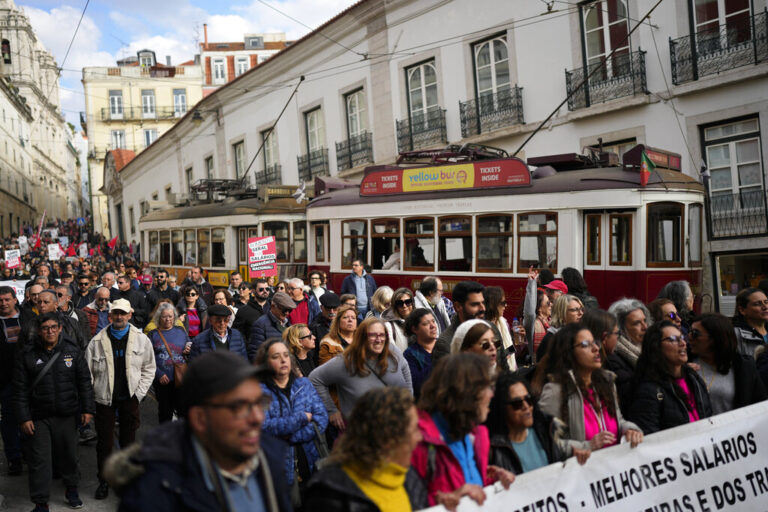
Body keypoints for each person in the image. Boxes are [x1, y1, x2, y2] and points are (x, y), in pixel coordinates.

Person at [107, 351, 291, 511]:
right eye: (240, 407)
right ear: (200, 419)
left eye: (259, 403)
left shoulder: (270, 457)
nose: (257, 418)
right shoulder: (156, 490)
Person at [13, 313, 95, 511]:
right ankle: (41, 502)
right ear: (39, 331)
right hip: (39, 417)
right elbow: (20, 389)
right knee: (40, 460)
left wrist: (87, 409)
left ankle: (72, 490)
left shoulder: (72, 351)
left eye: (53, 327)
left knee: (69, 456)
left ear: (60, 329)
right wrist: (24, 417)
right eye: (45, 328)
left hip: (67, 414)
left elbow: (84, 382)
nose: (49, 331)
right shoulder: (28, 354)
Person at [411, 354, 515, 507]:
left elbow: (468, 488)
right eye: (487, 387)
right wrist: (447, 501)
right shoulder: (418, 442)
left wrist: (492, 482)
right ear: (467, 391)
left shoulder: (473, 436)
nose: (492, 394)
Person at [303, 387, 428, 512]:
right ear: (389, 439)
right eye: (414, 430)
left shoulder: (407, 476)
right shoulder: (331, 493)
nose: (420, 437)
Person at [535, 324, 643, 458]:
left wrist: (629, 429)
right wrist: (588, 446)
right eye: (585, 344)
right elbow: (543, 442)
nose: (596, 348)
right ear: (568, 352)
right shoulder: (556, 391)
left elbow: (618, 421)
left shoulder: (606, 383)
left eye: (595, 343)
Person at [86, 298, 156, 500]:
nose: (118, 317)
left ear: (129, 315)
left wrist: (139, 394)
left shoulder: (141, 340)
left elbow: (149, 368)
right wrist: (93, 394)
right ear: (110, 315)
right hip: (104, 399)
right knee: (105, 444)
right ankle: (104, 481)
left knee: (129, 442)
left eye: (122, 313)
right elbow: (88, 371)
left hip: (130, 398)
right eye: (115, 313)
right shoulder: (97, 341)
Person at [310, 317, 412, 433]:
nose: (378, 340)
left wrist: (409, 399)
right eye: (373, 335)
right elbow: (315, 379)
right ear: (362, 337)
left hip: (396, 429)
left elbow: (404, 366)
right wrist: (331, 411)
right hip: (362, 435)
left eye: (382, 335)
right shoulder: (345, 362)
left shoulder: (392, 350)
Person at [254, 339, 328, 493]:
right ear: (265, 362)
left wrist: (291, 437)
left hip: (311, 459)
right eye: (276, 357)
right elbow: (265, 426)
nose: (283, 360)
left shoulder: (304, 384)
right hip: (279, 464)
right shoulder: (259, 392)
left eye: (286, 355)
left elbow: (321, 418)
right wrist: (301, 418)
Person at [628, 321, 713, 434]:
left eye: (682, 337)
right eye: (673, 339)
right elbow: (650, 438)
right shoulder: (649, 390)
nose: (683, 343)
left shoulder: (694, 378)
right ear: (656, 346)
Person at [487, 373, 567, 474]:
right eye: (517, 403)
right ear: (502, 409)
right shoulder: (495, 449)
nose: (526, 407)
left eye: (529, 400)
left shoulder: (546, 431)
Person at [688, 313, 766, 415]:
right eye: (689, 332)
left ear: (715, 338)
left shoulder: (744, 367)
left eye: (695, 333)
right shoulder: (683, 365)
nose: (689, 337)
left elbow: (760, 406)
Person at [147, 303, 191, 422]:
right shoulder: (153, 335)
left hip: (181, 379)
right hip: (163, 382)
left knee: (183, 413)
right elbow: (147, 359)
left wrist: (188, 347)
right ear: (158, 317)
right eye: (164, 316)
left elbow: (189, 343)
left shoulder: (181, 331)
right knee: (165, 414)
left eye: (170, 316)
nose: (168, 319)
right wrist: (159, 374)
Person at [606, 298, 650, 411]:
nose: (645, 327)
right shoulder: (613, 359)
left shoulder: (652, 349)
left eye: (645, 321)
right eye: (637, 323)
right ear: (621, 329)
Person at [0, 286, 22, 476]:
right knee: (9, 421)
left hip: (28, 379)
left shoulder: (28, 318)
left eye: (7, 299)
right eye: (1, 300)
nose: (4, 303)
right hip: (5, 381)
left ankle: (29, 454)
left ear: (15, 300)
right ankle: (14, 458)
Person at [436, 281, 487, 362]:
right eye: (475, 304)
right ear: (458, 306)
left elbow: (503, 362)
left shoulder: (492, 329)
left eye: (483, 303)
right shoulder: (445, 344)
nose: (482, 308)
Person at [535, 294, 585, 361]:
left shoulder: (582, 333)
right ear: (561, 313)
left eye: (581, 309)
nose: (581, 313)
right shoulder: (551, 339)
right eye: (575, 310)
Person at [248, 291, 295, 360]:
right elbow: (255, 353)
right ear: (273, 306)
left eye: (290, 310)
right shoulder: (260, 324)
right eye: (284, 310)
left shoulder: (288, 324)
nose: (287, 313)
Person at [403, 309, 438, 400]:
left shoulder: (444, 345)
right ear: (414, 329)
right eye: (426, 324)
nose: (433, 326)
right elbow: (417, 385)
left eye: (433, 321)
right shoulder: (410, 354)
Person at [484, 286, 518, 371]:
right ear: (493, 304)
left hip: (509, 371)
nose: (506, 305)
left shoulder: (503, 323)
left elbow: (509, 350)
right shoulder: (483, 327)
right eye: (503, 303)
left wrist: (516, 341)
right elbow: (497, 353)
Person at [732, 287, 768, 357]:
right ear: (742, 310)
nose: (765, 307)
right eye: (758, 304)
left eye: (766, 302)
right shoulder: (735, 335)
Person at [55, 284, 91, 349]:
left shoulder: (80, 315)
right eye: (55, 295)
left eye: (59, 295)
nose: (56, 297)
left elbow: (86, 337)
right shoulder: (50, 313)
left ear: (68, 298)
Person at [381, 287, 414, 352]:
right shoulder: (388, 326)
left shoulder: (419, 320)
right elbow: (392, 352)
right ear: (395, 306)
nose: (404, 306)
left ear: (412, 303)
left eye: (408, 302)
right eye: (400, 303)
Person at [309, 292, 339, 357]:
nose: (332, 312)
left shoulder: (344, 322)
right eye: (328, 309)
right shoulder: (314, 326)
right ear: (321, 308)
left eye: (335, 309)